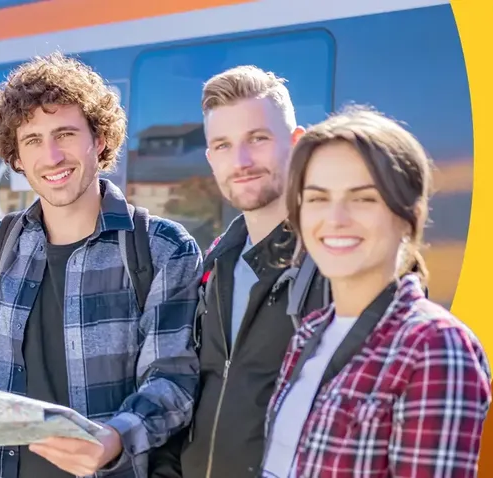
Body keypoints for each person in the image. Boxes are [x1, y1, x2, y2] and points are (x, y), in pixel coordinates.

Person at [0, 53, 203, 478]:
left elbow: (172, 382)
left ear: (100, 140)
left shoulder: (162, 248)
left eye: (66, 133)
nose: (51, 156)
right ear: (16, 156)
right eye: (32, 140)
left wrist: (113, 440)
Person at [258, 107, 490, 478]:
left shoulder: (434, 347)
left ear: (408, 215)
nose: (335, 218)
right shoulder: (309, 333)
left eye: (363, 198)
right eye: (317, 198)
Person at [154, 66, 332, 478]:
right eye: (224, 145)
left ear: (296, 144)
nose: (242, 160)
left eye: (258, 138)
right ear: (210, 158)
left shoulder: (330, 268)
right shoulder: (213, 268)